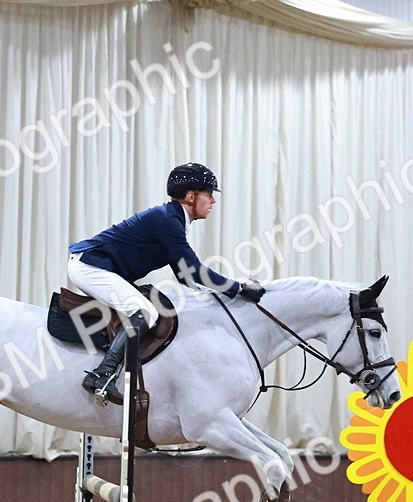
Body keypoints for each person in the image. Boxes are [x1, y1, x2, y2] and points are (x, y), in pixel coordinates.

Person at [67, 162, 265, 402]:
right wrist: (239, 288)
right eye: (209, 194)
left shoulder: (173, 219)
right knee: (144, 312)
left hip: (96, 265)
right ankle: (103, 374)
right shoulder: (167, 221)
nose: (213, 201)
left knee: (150, 307)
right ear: (191, 197)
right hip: (90, 266)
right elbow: (194, 271)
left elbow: (185, 276)